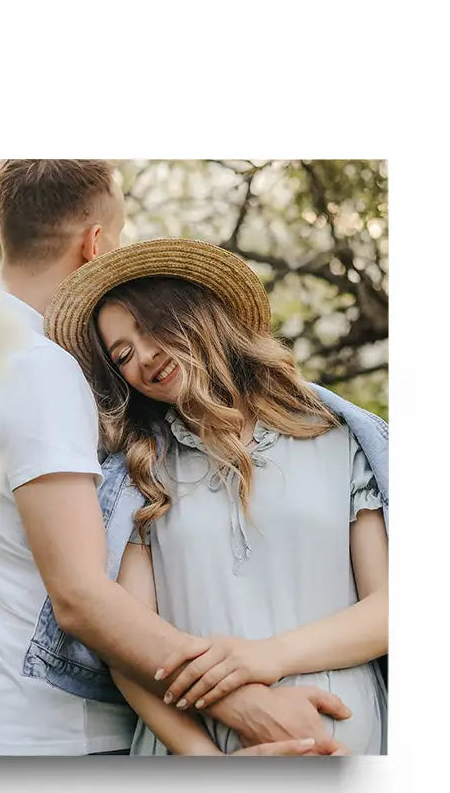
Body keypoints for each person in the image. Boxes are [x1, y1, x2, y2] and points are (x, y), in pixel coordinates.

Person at [0, 160, 351, 755]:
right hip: (67, 737)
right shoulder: (38, 370)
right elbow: (81, 597)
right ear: (95, 243)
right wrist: (246, 704)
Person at [44, 237, 389, 754]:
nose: (143, 358)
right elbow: (127, 652)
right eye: (123, 354)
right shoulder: (141, 475)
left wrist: (271, 656)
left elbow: (391, 609)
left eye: (149, 328)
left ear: (197, 314)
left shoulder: (337, 438)